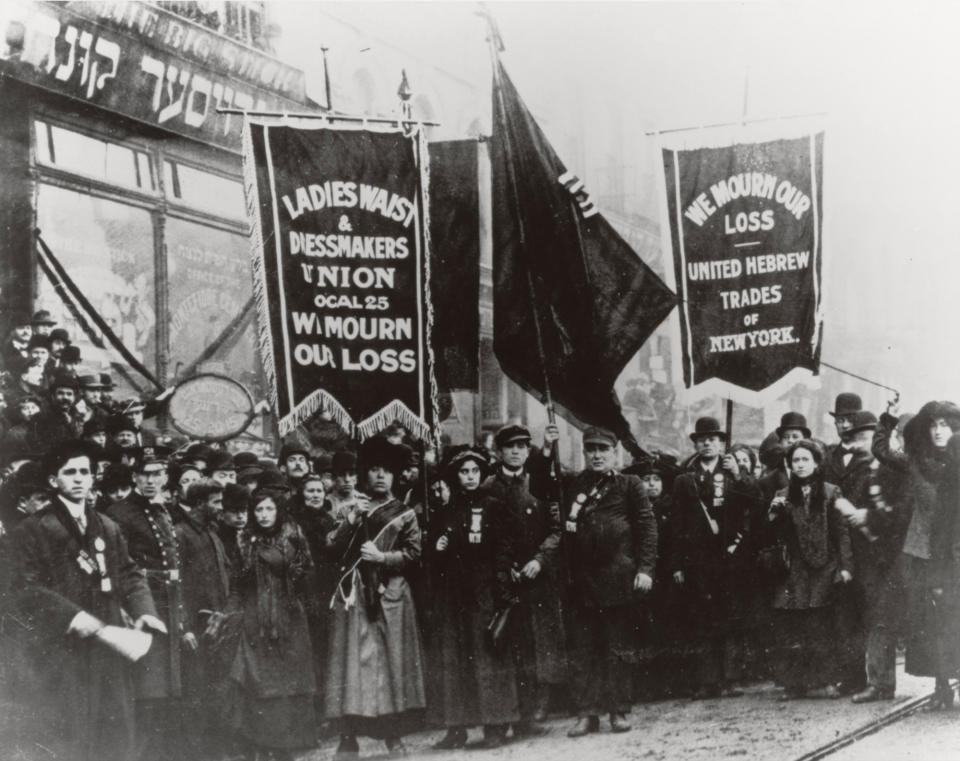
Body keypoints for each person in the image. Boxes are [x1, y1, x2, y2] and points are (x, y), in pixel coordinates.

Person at [11, 440, 160, 761]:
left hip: (108, 645)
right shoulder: (32, 530)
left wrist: (143, 610)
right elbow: (23, 589)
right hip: (60, 648)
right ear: (54, 481)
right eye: (71, 472)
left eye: (85, 472)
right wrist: (72, 616)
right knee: (68, 733)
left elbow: (130, 574)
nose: (79, 478)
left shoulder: (108, 527)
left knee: (114, 731)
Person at [325, 436, 426, 758]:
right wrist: (353, 520)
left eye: (387, 471)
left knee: (390, 667)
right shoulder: (350, 508)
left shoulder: (405, 513)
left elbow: (414, 554)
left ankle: (392, 735)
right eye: (375, 470)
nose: (381, 476)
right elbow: (332, 548)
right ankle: (348, 736)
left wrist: (384, 558)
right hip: (355, 594)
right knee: (352, 668)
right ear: (366, 474)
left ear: (395, 476)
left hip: (390, 595)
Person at [564, 427, 657, 738]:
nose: (597, 454)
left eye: (603, 449)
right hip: (583, 582)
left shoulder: (629, 484)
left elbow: (646, 527)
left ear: (615, 452)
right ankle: (586, 714)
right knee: (584, 651)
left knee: (618, 649)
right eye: (590, 449)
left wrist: (645, 569)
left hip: (618, 579)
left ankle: (618, 711)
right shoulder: (575, 484)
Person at [429, 445, 519, 749]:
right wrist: (438, 547)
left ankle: (496, 723)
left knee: (487, 655)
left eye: (474, 472)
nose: (469, 477)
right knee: (454, 657)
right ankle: (456, 727)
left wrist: (501, 589)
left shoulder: (493, 505)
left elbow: (504, 549)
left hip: (484, 588)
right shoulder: (446, 509)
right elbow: (433, 556)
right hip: (453, 592)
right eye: (464, 472)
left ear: (481, 474)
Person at [873, 399, 960, 708]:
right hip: (922, 552)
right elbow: (882, 452)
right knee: (930, 622)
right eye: (934, 425)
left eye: (946, 425)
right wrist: (888, 419)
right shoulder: (916, 461)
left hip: (955, 552)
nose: (940, 432)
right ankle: (941, 687)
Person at [481, 423, 567, 730]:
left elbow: (557, 530)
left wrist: (540, 560)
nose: (516, 451)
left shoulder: (540, 481)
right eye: (510, 446)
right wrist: (504, 568)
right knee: (510, 645)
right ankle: (515, 713)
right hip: (505, 577)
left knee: (540, 643)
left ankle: (536, 710)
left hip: (538, 576)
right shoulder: (488, 486)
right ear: (499, 451)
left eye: (522, 446)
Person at [669, 416, 760, 698]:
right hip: (698, 560)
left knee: (730, 618)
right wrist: (677, 564)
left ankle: (730, 678)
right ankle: (707, 681)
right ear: (695, 444)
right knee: (702, 620)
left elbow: (755, 502)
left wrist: (738, 475)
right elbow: (676, 524)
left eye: (713, 439)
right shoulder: (685, 479)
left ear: (722, 443)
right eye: (702, 439)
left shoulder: (732, 471)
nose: (707, 443)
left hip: (730, 557)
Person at [105, 447, 186, 760]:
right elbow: (119, 568)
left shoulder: (164, 509)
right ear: (134, 476)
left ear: (165, 476)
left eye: (157, 473)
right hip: (143, 607)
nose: (151, 480)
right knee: (146, 690)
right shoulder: (119, 513)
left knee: (168, 690)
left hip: (168, 603)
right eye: (144, 474)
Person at [226, 487, 317, 760]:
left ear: (278, 510)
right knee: (261, 682)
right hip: (256, 619)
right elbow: (236, 583)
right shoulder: (244, 539)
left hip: (290, 617)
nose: (264, 515)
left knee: (292, 682)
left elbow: (307, 571)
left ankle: (288, 747)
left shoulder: (293, 534)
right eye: (258, 510)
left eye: (269, 509)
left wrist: (293, 583)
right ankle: (264, 745)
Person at [768, 439, 854, 699]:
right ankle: (794, 684)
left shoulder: (830, 492)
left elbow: (842, 533)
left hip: (824, 568)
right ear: (789, 465)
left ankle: (827, 681)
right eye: (796, 461)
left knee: (821, 626)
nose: (801, 465)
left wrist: (846, 566)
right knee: (794, 627)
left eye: (806, 459)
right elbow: (771, 534)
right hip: (793, 571)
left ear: (816, 463)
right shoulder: (782, 495)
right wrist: (773, 514)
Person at [174, 478, 232, 759]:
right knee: (196, 697)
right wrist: (184, 627)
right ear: (199, 503)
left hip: (217, 629)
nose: (221, 507)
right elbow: (177, 587)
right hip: (195, 632)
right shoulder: (181, 534)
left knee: (217, 695)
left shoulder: (212, 534)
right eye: (216, 502)